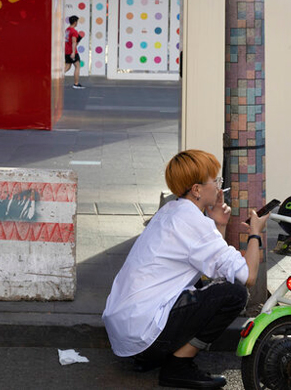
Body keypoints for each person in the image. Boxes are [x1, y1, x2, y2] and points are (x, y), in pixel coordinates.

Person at [102, 149, 269, 389]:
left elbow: (210, 271)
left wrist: (218, 225)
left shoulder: (171, 210)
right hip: (144, 336)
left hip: (127, 332)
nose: (220, 188)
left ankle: (153, 357)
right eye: (216, 181)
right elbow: (248, 277)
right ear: (197, 189)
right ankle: (178, 367)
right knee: (235, 294)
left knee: (207, 286)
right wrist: (255, 232)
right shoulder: (194, 223)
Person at [64, 15, 84, 89]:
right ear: (75, 22)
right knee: (77, 66)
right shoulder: (73, 31)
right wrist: (73, 52)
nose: (77, 23)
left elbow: (71, 41)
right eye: (77, 22)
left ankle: (55, 78)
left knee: (67, 67)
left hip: (67, 51)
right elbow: (73, 42)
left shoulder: (67, 30)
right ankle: (76, 84)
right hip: (72, 52)